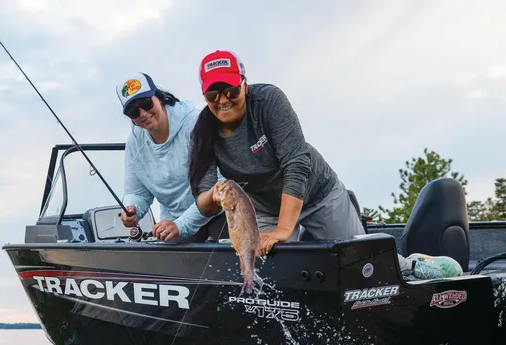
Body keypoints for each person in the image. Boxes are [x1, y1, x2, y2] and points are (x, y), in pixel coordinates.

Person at [186, 50, 462, 278]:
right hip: (265, 207)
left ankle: (413, 265)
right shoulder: (203, 133)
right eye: (213, 95)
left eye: (231, 91)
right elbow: (203, 198)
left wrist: (284, 230)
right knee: (265, 271)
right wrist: (214, 195)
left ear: (244, 84)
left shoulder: (269, 101)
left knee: (362, 260)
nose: (223, 100)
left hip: (318, 192)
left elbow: (297, 163)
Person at [116, 72, 225, 243]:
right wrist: (132, 209)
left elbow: (221, 182)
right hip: (174, 224)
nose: (143, 113)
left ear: (158, 97)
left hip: (219, 213)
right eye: (133, 111)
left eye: (146, 103)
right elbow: (136, 192)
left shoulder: (195, 123)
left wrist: (182, 224)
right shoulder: (133, 144)